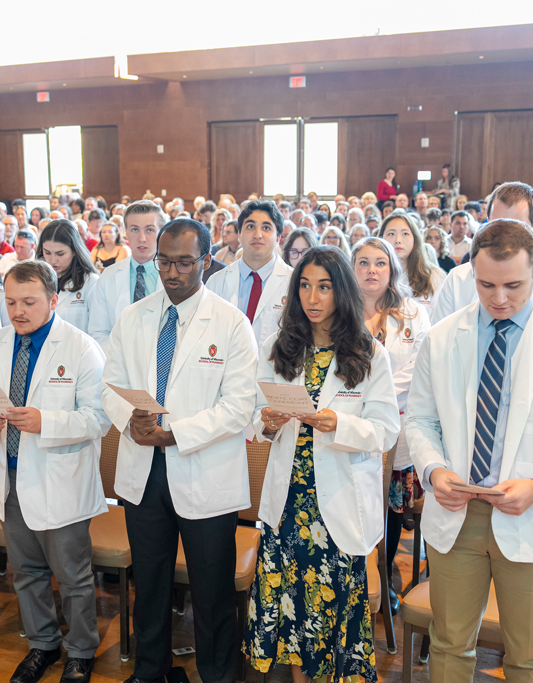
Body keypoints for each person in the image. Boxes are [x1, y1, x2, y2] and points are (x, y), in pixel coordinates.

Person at [406, 219, 533, 683]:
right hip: (457, 511)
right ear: (471, 274)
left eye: (513, 285)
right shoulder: (442, 338)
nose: (499, 298)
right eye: (486, 284)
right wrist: (434, 469)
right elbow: (420, 420)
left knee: (529, 658)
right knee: (448, 643)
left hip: (532, 514)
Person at [102, 218, 258, 683]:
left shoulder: (231, 323)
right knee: (149, 583)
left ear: (206, 262)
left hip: (203, 470)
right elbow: (110, 384)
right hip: (144, 471)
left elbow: (239, 405)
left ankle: (217, 675)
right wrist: (128, 418)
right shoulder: (134, 317)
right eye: (164, 261)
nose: (172, 272)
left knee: (211, 590)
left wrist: (177, 433)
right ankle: (151, 671)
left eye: (184, 263)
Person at [244, 245, 400, 680]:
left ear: (342, 292)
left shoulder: (368, 353)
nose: (313, 299)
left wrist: (338, 423)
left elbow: (386, 430)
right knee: (293, 616)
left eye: (325, 287)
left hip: (337, 503)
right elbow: (255, 418)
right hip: (289, 503)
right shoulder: (280, 347)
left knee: (330, 614)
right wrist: (269, 422)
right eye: (306, 287)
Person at [0, 260, 108, 683]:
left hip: (60, 480)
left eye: (29, 302)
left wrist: (47, 421)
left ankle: (81, 651)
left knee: (73, 577)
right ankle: (42, 644)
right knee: (27, 573)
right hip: (10, 478)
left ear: (53, 300)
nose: (18, 311)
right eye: (11, 302)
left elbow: (99, 418)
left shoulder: (81, 347)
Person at [351, 237, 430, 610]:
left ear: (392, 269)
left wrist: (376, 392)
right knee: (354, 500)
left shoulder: (413, 313)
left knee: (391, 506)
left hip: (397, 422)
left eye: (379, 263)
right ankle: (355, 572)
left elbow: (420, 369)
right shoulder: (340, 312)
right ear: (352, 270)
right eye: (363, 263)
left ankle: (385, 575)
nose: (371, 270)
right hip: (349, 423)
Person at [432, 182, 533, 326]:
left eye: (515, 227)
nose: (504, 235)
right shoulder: (457, 280)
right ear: (487, 221)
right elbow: (438, 344)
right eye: (496, 224)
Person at [207, 201, 293, 352]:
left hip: (275, 372)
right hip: (227, 372)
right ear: (239, 235)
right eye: (250, 227)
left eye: (266, 228)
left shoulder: (293, 282)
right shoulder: (216, 282)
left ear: (278, 238)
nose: (257, 235)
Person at [88, 200, 164, 351]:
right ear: (125, 232)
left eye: (149, 230)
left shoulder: (174, 275)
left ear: (161, 232)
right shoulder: (108, 277)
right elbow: (99, 331)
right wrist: (123, 361)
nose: (142, 238)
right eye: (135, 230)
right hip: (119, 365)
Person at [38, 220, 99, 334]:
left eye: (60, 254)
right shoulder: (37, 279)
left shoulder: (90, 282)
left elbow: (98, 329)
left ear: (75, 251)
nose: (53, 260)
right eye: (47, 253)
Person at [382, 212, 445, 318]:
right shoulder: (373, 275)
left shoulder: (434, 275)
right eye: (391, 234)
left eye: (405, 234)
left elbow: (441, 320)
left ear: (415, 239)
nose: (398, 240)